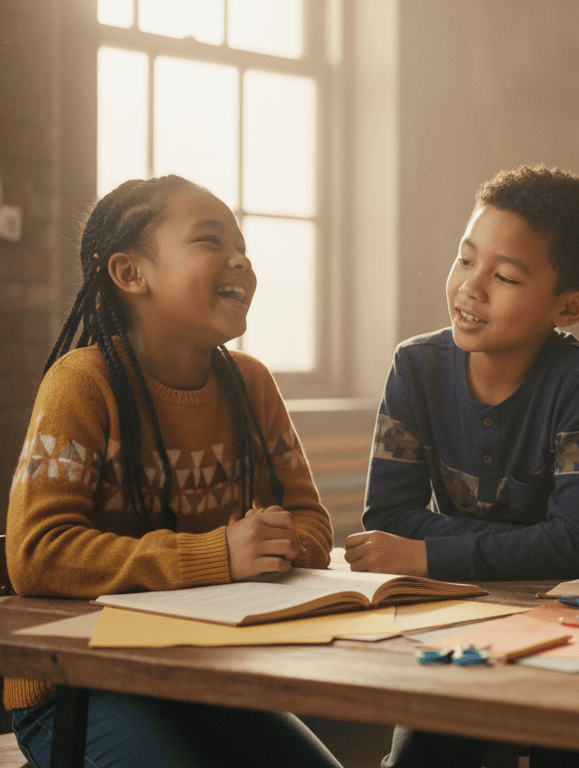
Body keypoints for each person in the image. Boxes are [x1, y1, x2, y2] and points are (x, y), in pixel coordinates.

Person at [4, 175, 341, 767]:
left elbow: (310, 519)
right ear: (131, 273)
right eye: (210, 241)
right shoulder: (81, 384)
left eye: (242, 245)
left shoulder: (251, 383)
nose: (240, 259)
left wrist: (279, 544)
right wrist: (218, 555)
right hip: (82, 685)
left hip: (213, 672)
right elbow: (38, 554)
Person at [346, 165, 579, 768]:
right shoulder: (416, 368)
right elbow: (387, 517)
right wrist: (530, 544)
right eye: (465, 258)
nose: (470, 287)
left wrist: (426, 555)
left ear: (569, 307)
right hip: (465, 612)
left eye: (504, 276)